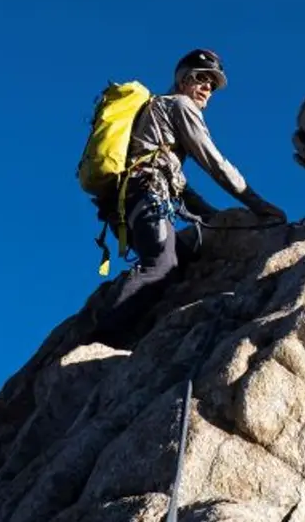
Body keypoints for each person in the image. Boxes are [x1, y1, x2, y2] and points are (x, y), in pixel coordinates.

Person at [91, 48, 285, 341]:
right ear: (183, 80)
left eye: (212, 83)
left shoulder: (160, 110)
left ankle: (133, 328)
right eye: (202, 79)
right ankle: (103, 338)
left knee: (186, 257)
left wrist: (211, 215)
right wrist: (259, 206)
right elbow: (215, 163)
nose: (208, 87)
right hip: (145, 197)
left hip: (136, 199)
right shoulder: (181, 105)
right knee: (162, 265)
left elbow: (176, 182)